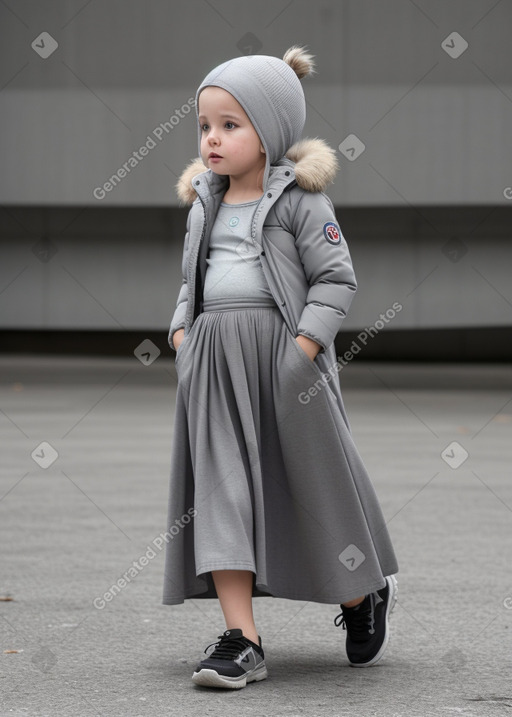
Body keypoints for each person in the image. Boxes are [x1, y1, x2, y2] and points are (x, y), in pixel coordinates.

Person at [162, 45, 399, 689]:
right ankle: (242, 640)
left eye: (230, 125)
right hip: (214, 363)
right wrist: (183, 332)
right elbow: (194, 280)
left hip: (283, 361)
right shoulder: (202, 207)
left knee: (311, 487)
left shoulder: (301, 202)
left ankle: (360, 594)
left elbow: (335, 281)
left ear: (270, 133)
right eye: (205, 126)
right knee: (221, 493)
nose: (212, 139)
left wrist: (301, 353)